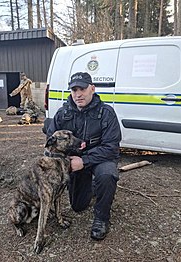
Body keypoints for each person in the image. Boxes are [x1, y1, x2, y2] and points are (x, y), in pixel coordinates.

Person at [46, 72, 122, 240]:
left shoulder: (106, 113)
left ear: (92, 89)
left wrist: (85, 160)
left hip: (100, 159)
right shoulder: (62, 113)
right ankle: (92, 186)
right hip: (74, 163)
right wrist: (64, 161)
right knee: (78, 206)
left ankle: (102, 219)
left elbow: (111, 148)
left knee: (107, 174)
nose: (78, 94)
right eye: (74, 90)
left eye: (82, 89)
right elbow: (51, 140)